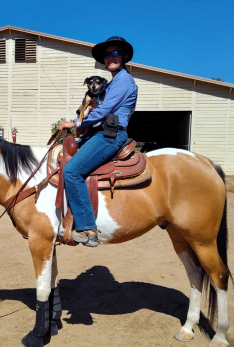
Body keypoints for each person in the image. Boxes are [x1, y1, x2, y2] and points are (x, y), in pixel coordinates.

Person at [58, 36, 138, 247]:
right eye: (107, 54)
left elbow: (104, 110)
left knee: (72, 171)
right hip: (98, 133)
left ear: (124, 57)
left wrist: (74, 123)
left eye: (115, 53)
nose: (110, 57)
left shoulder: (123, 81)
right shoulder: (110, 84)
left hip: (110, 135)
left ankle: (87, 229)